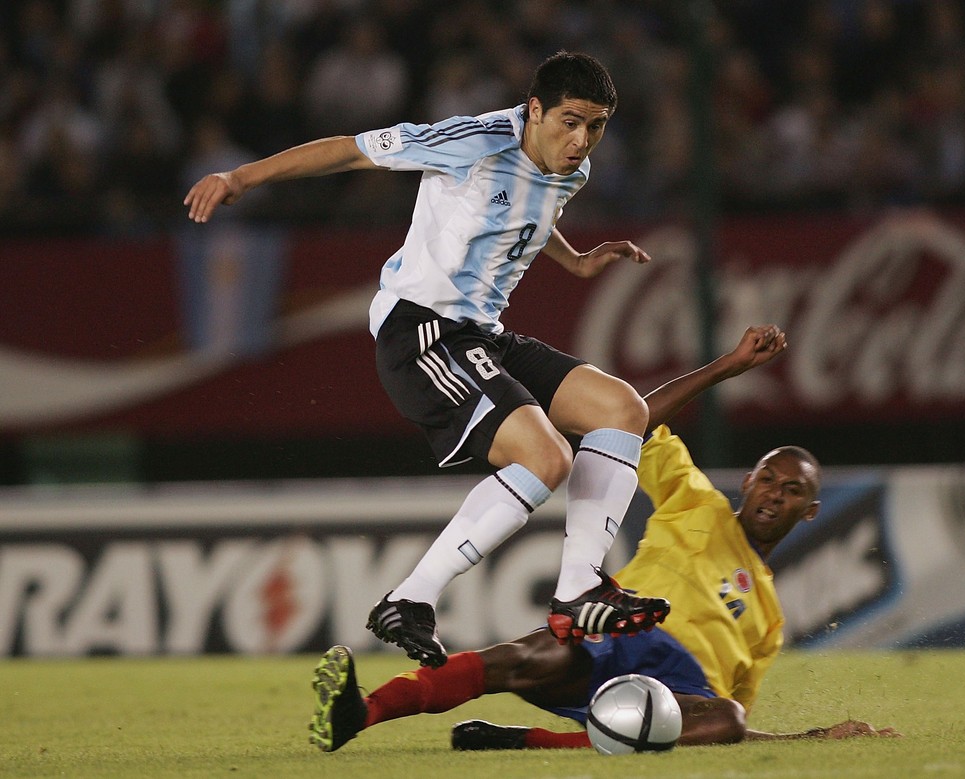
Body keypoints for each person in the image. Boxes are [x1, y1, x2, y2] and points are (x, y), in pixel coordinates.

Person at [184, 51, 669, 669]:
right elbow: (352, 149)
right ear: (535, 110)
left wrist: (575, 261)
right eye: (570, 122)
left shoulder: (573, 170)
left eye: (595, 125)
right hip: (422, 330)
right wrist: (240, 179)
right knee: (546, 457)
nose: (581, 140)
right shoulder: (469, 141)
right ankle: (411, 598)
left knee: (623, 408)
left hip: (483, 335)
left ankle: (579, 588)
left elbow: (525, 215)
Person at [307, 325, 899, 753]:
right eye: (767, 478)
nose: (773, 493)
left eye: (791, 491)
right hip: (616, 641)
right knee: (523, 657)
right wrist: (725, 368)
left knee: (729, 719)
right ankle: (358, 714)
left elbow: (726, 727)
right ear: (747, 481)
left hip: (678, 687)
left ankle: (531, 743)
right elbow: (631, 417)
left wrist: (808, 738)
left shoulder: (768, 619)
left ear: (811, 511)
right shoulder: (694, 498)